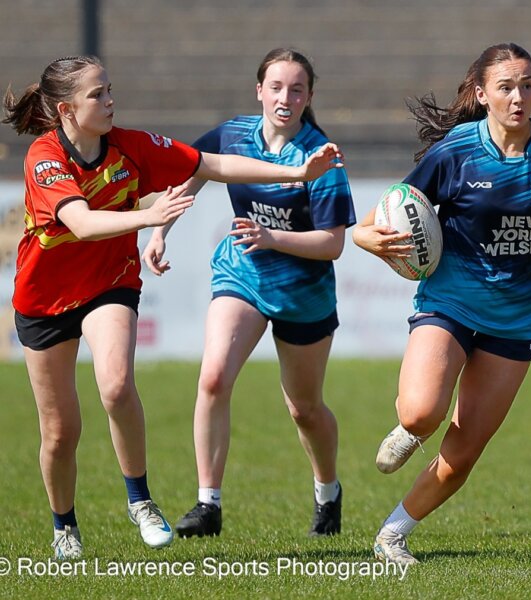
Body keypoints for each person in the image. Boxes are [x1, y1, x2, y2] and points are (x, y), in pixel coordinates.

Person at [3, 55, 343, 560]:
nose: (110, 100)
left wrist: (295, 173)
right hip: (44, 300)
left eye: (109, 89)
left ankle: (141, 501)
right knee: (59, 432)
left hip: (109, 284)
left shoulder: (133, 145)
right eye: (97, 95)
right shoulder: (45, 157)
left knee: (117, 387)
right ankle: (64, 528)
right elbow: (81, 223)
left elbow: (213, 165)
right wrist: (150, 219)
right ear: (65, 109)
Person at [352, 42, 531, 565]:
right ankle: (410, 427)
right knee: (423, 413)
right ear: (482, 93)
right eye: (506, 86)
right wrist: (368, 241)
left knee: (463, 453)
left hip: (515, 318)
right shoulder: (455, 151)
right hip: (449, 301)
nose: (519, 97)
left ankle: (392, 534)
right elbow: (384, 215)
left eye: (527, 85)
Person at [142, 48, 355, 539]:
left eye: (296, 89)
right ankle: (208, 504)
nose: (285, 97)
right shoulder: (233, 134)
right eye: (276, 87)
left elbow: (332, 245)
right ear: (259, 90)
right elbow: (193, 173)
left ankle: (328, 491)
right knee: (214, 377)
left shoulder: (322, 157)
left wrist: (272, 236)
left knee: (304, 409)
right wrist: (160, 233)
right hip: (242, 272)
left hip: (304, 293)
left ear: (309, 97)